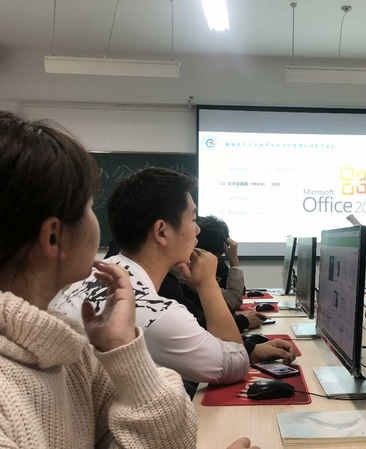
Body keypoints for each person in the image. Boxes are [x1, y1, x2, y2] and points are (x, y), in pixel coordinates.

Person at [0, 111, 203, 448]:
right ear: (53, 237)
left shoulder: (68, 350)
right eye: (89, 208)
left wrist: (124, 350)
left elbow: (172, 441)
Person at [55, 167, 296, 388]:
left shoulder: (90, 276)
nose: (198, 230)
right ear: (162, 232)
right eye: (193, 219)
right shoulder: (158, 314)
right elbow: (236, 363)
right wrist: (207, 284)